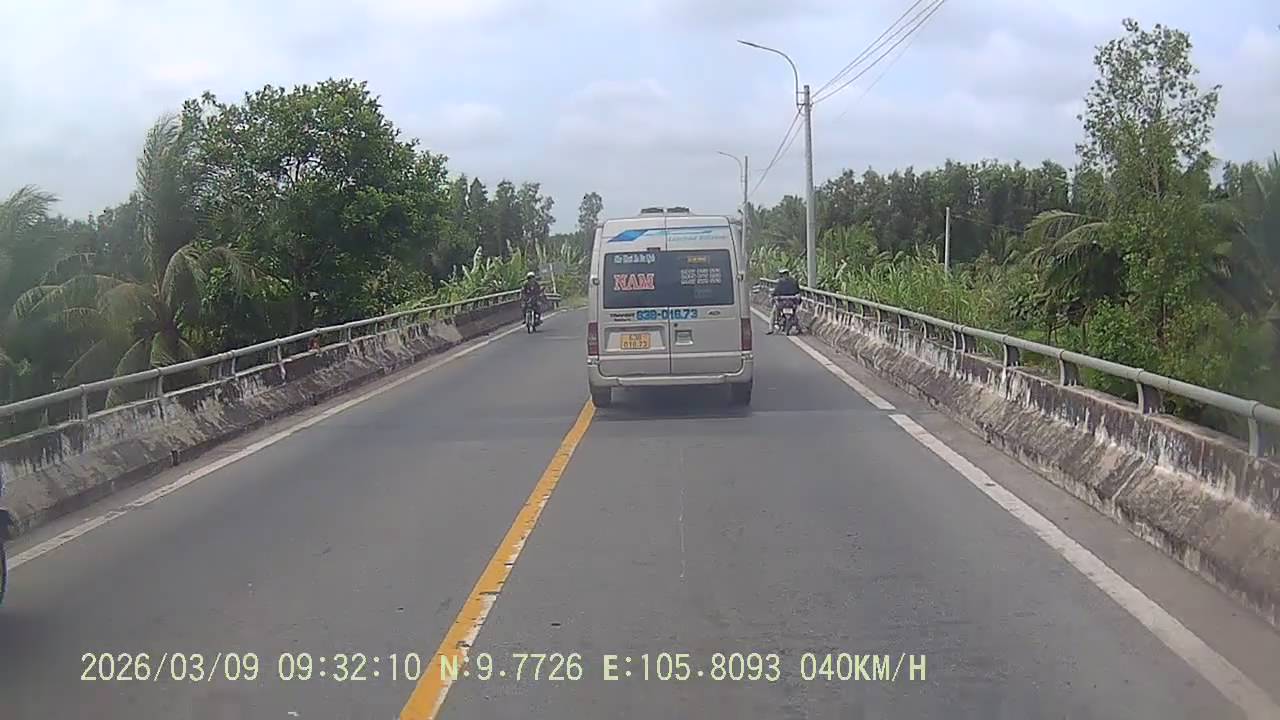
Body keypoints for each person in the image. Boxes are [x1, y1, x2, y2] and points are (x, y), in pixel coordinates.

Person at [768, 268, 800, 334]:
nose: (784, 276)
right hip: (787, 302)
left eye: (784, 274)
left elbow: (798, 293)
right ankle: (771, 328)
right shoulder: (791, 281)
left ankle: (771, 328)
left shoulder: (790, 282)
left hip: (787, 303)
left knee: (774, 312)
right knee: (774, 312)